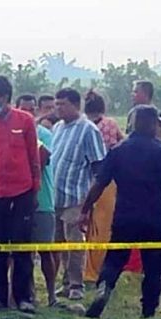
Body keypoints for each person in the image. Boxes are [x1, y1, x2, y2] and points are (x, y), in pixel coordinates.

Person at [80, 105, 161, 319]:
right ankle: (148, 310)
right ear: (153, 124)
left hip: (124, 216)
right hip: (154, 215)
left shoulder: (118, 150)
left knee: (115, 258)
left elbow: (99, 183)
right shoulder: (160, 150)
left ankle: (105, 286)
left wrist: (85, 209)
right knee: (153, 265)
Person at [0, 75, 41, 313]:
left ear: (5, 97)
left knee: (22, 247)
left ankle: (23, 298)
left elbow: (33, 157)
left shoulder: (25, 120)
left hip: (22, 192)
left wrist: (35, 189)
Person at [51, 88, 106, 301]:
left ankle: (76, 284)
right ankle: (65, 282)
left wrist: (88, 202)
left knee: (75, 243)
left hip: (76, 197)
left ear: (75, 105)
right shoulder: (57, 128)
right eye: (56, 104)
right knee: (59, 243)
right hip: (55, 196)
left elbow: (98, 167)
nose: (58, 108)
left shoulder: (88, 130)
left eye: (62, 104)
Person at [17, 95, 58, 306]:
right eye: (24, 110)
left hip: (43, 200)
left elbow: (42, 159)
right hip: (20, 202)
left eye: (32, 110)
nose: (28, 114)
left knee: (46, 250)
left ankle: (52, 294)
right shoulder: (12, 134)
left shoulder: (45, 135)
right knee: (24, 253)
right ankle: (29, 294)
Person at [82, 89, 126, 283]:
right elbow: (122, 144)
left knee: (84, 227)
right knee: (102, 227)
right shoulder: (110, 125)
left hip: (83, 180)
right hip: (106, 183)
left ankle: (85, 268)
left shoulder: (81, 125)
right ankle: (98, 269)